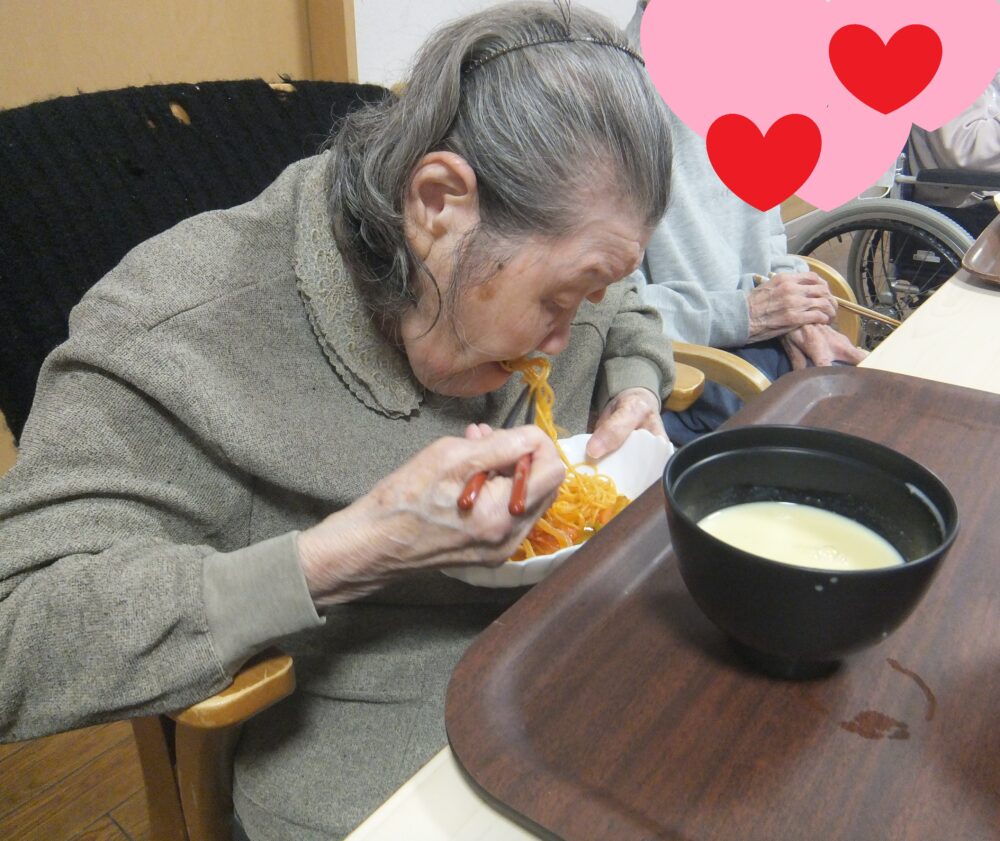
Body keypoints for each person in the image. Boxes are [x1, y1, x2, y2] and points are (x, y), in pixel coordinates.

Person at [0, 4, 676, 839]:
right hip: (382, 741)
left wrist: (637, 385)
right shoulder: (180, 331)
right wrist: (354, 552)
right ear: (437, 203)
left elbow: (622, 304)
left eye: (586, 296)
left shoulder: (547, 250)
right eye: (559, 298)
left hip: (587, 638)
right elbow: (17, 628)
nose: (567, 335)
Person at [625, 0, 865, 444]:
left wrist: (798, 314)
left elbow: (769, 238)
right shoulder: (619, 103)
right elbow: (612, 310)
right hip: (694, 368)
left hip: (760, 345)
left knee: (876, 402)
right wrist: (747, 314)